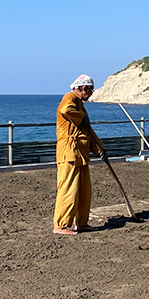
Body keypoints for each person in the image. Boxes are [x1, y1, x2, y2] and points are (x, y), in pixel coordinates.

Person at [53, 75, 106, 235]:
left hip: (80, 154)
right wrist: (82, 117)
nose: (91, 93)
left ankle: (81, 223)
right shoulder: (69, 98)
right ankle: (61, 225)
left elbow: (86, 130)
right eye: (90, 89)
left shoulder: (80, 105)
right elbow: (65, 110)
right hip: (69, 152)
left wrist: (99, 149)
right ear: (83, 88)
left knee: (84, 190)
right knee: (68, 189)